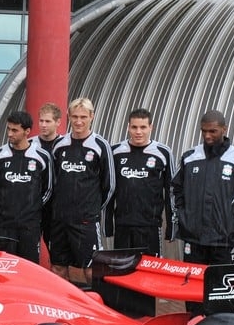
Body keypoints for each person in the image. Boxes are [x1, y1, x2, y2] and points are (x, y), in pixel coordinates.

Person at [171, 109, 234, 312]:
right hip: (194, 239)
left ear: (224, 130)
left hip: (225, 241)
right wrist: (183, 218)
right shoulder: (190, 157)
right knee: (193, 292)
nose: (207, 136)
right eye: (204, 131)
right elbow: (175, 189)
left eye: (213, 131)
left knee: (223, 295)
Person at [47, 97, 115, 284]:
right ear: (68, 116)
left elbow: (109, 186)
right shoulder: (59, 145)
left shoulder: (101, 146)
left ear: (91, 117)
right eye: (75, 116)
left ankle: (96, 309)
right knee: (58, 267)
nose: (78, 121)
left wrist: (91, 210)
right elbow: (53, 182)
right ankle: (63, 309)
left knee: (91, 269)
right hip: (60, 219)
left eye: (83, 117)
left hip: (85, 220)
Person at [105, 108, 175, 257]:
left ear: (151, 127)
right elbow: (108, 189)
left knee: (149, 272)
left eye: (143, 127)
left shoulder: (163, 153)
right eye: (134, 127)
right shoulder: (115, 152)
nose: (138, 132)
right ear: (128, 127)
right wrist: (107, 225)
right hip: (123, 224)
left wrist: (171, 227)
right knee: (123, 271)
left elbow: (171, 192)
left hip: (150, 226)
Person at [0, 110, 52, 263]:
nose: (10, 133)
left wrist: (33, 208)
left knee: (29, 269)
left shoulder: (41, 157)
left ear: (27, 131)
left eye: (15, 130)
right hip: (3, 225)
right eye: (8, 129)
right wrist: (0, 210)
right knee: (3, 269)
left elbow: (48, 189)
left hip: (29, 226)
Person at [34, 102, 63, 256]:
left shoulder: (65, 145)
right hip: (34, 209)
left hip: (56, 210)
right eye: (41, 121)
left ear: (58, 122)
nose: (43, 125)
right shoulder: (31, 145)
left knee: (57, 256)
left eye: (48, 121)